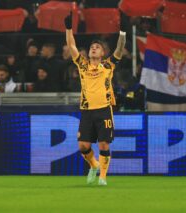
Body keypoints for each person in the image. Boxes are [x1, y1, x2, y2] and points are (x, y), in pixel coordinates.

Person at [64, 12, 126, 185]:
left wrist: (122, 33)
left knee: (104, 145)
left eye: (97, 47)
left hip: (104, 109)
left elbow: (119, 50)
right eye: (92, 47)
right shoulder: (82, 64)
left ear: (103, 52)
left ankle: (103, 177)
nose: (94, 48)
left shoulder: (108, 65)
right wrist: (68, 28)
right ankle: (93, 165)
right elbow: (71, 46)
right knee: (83, 146)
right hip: (87, 111)